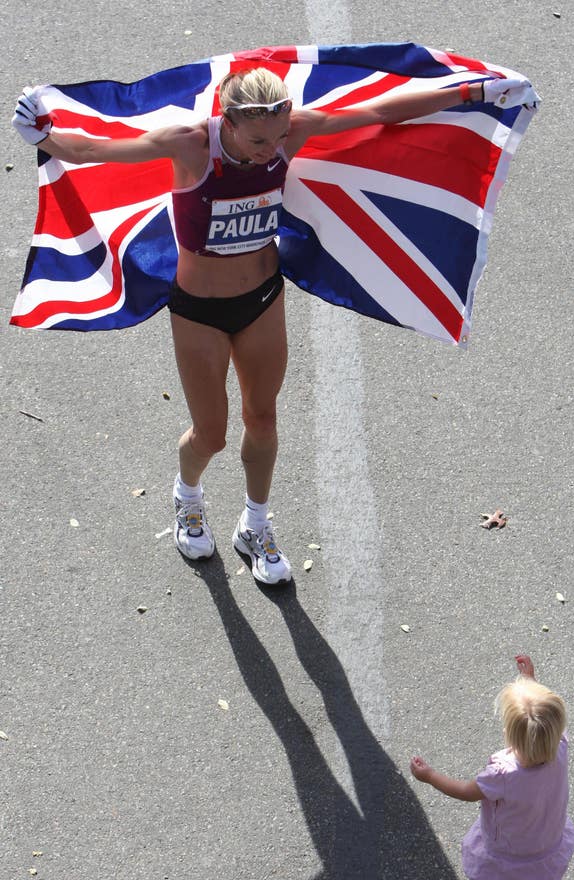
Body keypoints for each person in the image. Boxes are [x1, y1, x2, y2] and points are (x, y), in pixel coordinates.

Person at [12, 71, 534, 584]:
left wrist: (472, 92)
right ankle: (187, 496)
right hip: (198, 309)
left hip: (262, 298)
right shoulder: (191, 146)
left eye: (279, 137)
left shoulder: (288, 130)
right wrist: (42, 134)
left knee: (263, 419)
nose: (271, 150)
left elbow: (379, 110)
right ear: (228, 122)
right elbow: (93, 150)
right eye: (259, 140)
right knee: (211, 434)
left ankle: (254, 524)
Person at [410, 654, 574, 880]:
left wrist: (430, 776)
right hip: (546, 835)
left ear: (510, 734)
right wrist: (530, 682)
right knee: (530, 875)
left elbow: (464, 791)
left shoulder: (502, 775)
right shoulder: (558, 746)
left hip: (516, 849)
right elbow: (544, 721)